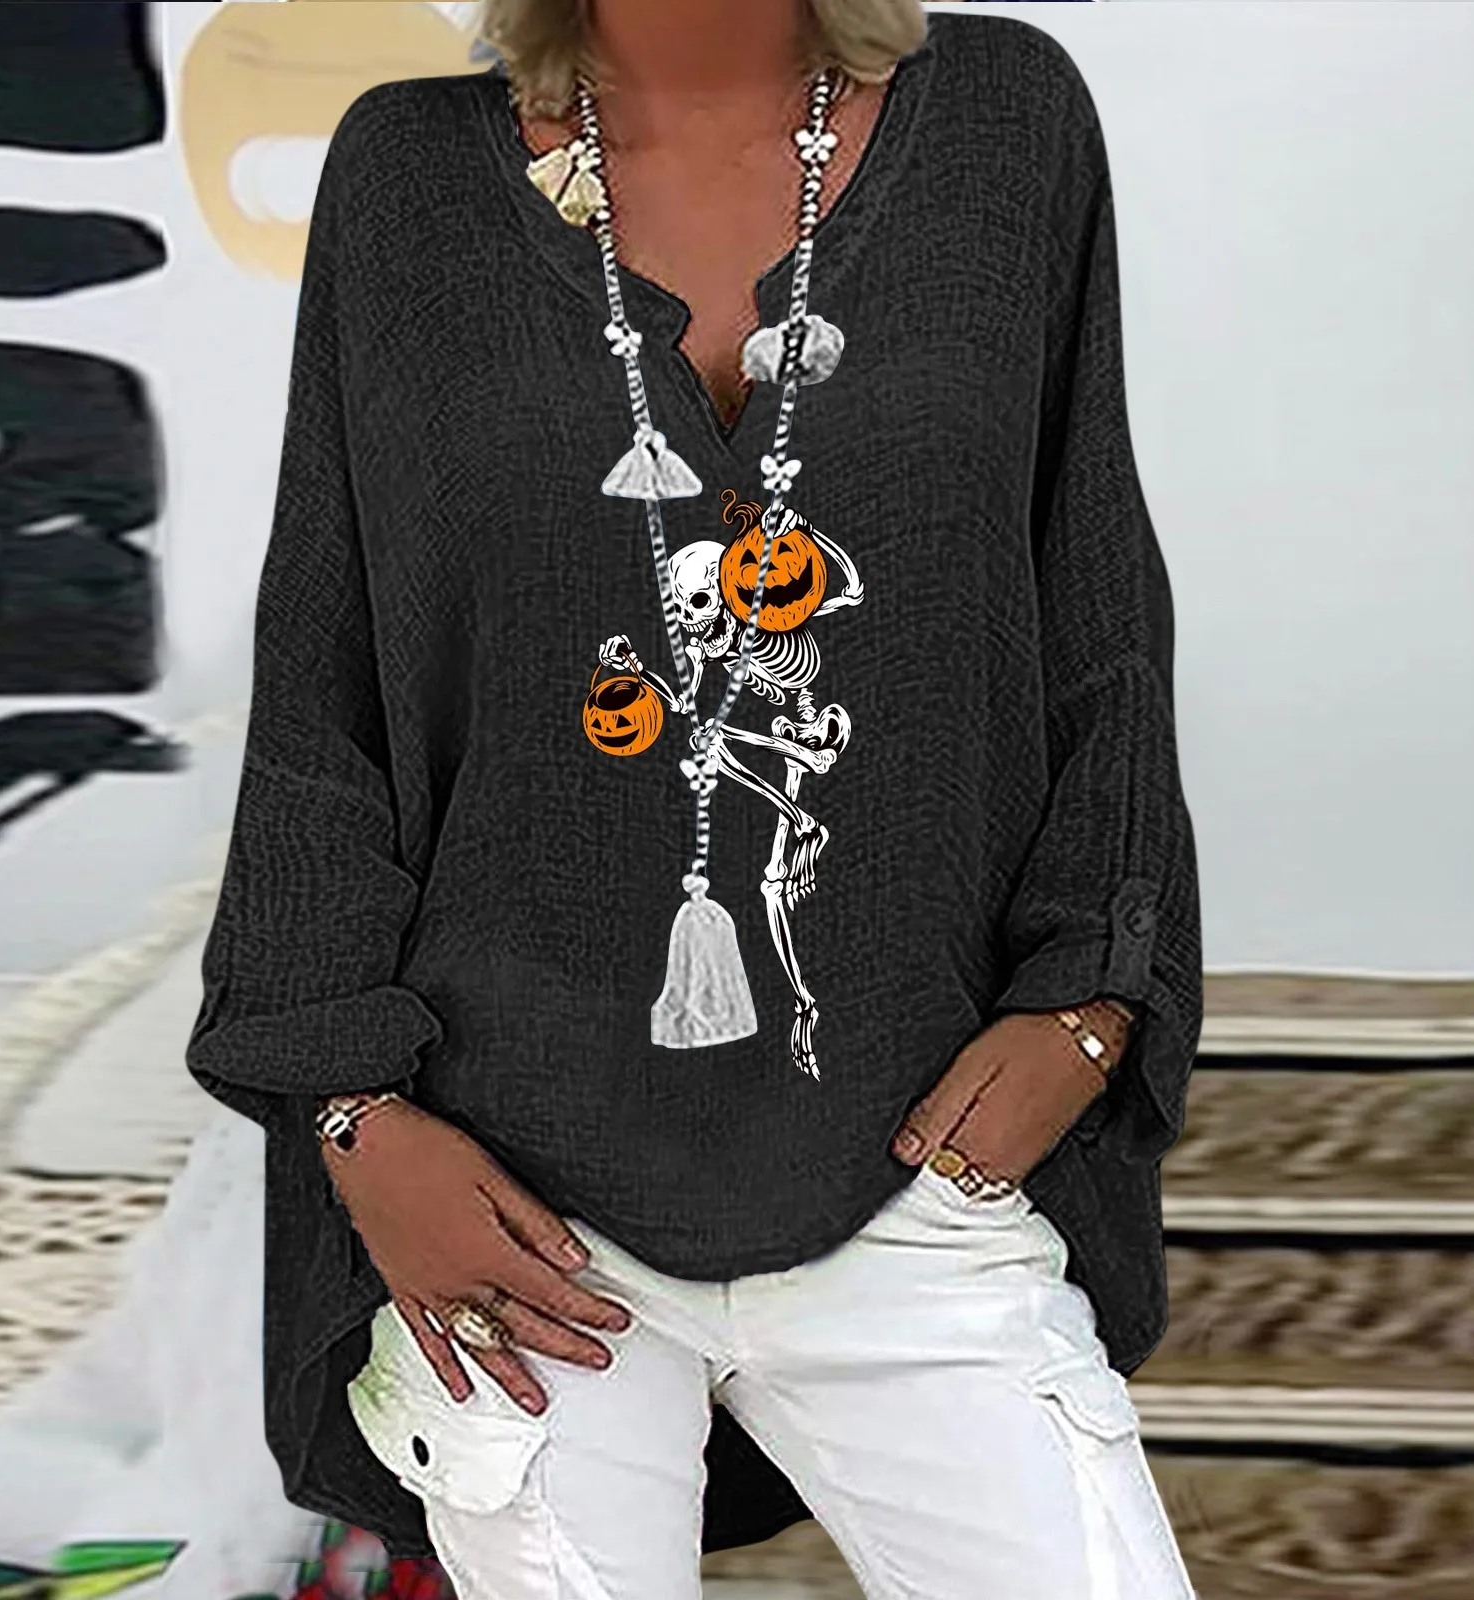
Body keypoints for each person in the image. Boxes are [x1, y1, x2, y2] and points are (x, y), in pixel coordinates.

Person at [186, 1, 1205, 1594]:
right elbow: (328, 672)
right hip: (503, 1191)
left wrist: (1096, 997)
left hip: (916, 1144)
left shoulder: (1008, 123)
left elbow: (1096, 607)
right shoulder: (408, 176)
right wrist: (354, 1114)